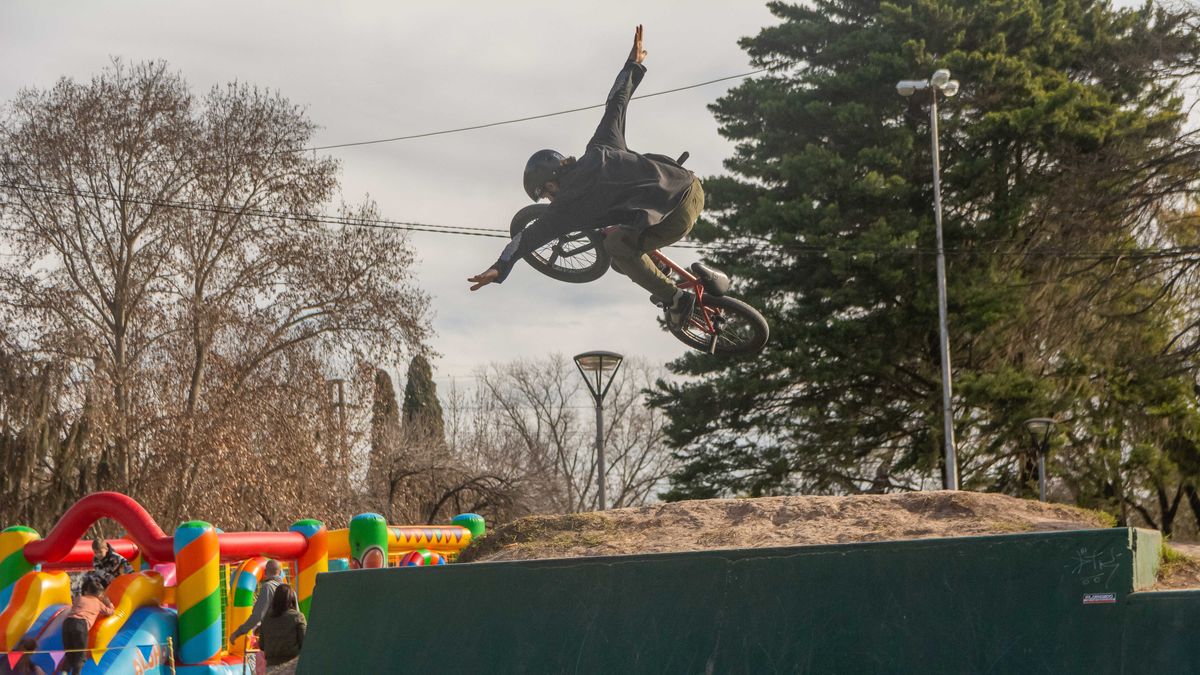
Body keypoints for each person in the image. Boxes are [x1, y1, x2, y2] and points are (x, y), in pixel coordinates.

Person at [469, 25, 706, 328]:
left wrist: (499, 268)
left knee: (617, 248)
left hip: (675, 216)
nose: (548, 199)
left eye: (544, 193)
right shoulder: (600, 146)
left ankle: (677, 299)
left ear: (551, 182)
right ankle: (680, 275)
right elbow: (616, 102)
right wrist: (633, 64)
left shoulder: (566, 208)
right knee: (625, 251)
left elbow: (525, 238)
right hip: (689, 184)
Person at [58, 575, 113, 675]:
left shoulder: (79, 598)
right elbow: (110, 612)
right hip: (80, 625)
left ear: (87, 591)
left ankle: (64, 673)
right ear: (100, 594)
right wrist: (108, 603)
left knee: (69, 653)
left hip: (67, 623)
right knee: (80, 656)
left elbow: (76, 606)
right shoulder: (98, 603)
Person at [229, 560, 284, 645]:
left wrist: (238, 633)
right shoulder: (289, 590)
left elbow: (257, 615)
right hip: (289, 639)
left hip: (274, 638)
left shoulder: (268, 587)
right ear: (280, 572)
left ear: (265, 572)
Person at [255, 584, 307, 671]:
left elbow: (262, 645)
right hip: (292, 666)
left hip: (271, 667)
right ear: (292, 599)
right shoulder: (297, 617)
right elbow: (305, 642)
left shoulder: (266, 619)